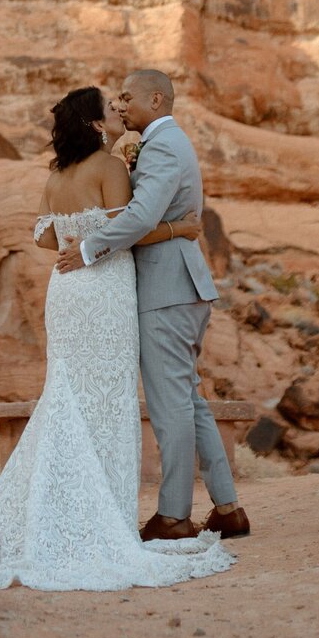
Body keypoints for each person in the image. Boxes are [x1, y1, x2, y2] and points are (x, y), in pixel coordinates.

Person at [0, 84, 236, 590]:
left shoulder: (56, 175)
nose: (118, 110)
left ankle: (63, 504)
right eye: (110, 108)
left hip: (66, 291)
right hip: (105, 292)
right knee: (108, 400)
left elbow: (45, 237)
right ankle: (105, 512)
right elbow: (130, 229)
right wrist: (179, 229)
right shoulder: (111, 168)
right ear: (94, 125)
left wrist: (76, 235)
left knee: (67, 395)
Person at [56, 68, 250, 543]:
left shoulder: (163, 145)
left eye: (127, 97)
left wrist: (86, 250)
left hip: (167, 290)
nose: (120, 106)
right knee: (188, 401)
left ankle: (173, 517)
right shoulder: (159, 144)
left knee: (170, 409)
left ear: (156, 99)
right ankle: (227, 509)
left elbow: (142, 214)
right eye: (115, 100)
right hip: (177, 287)